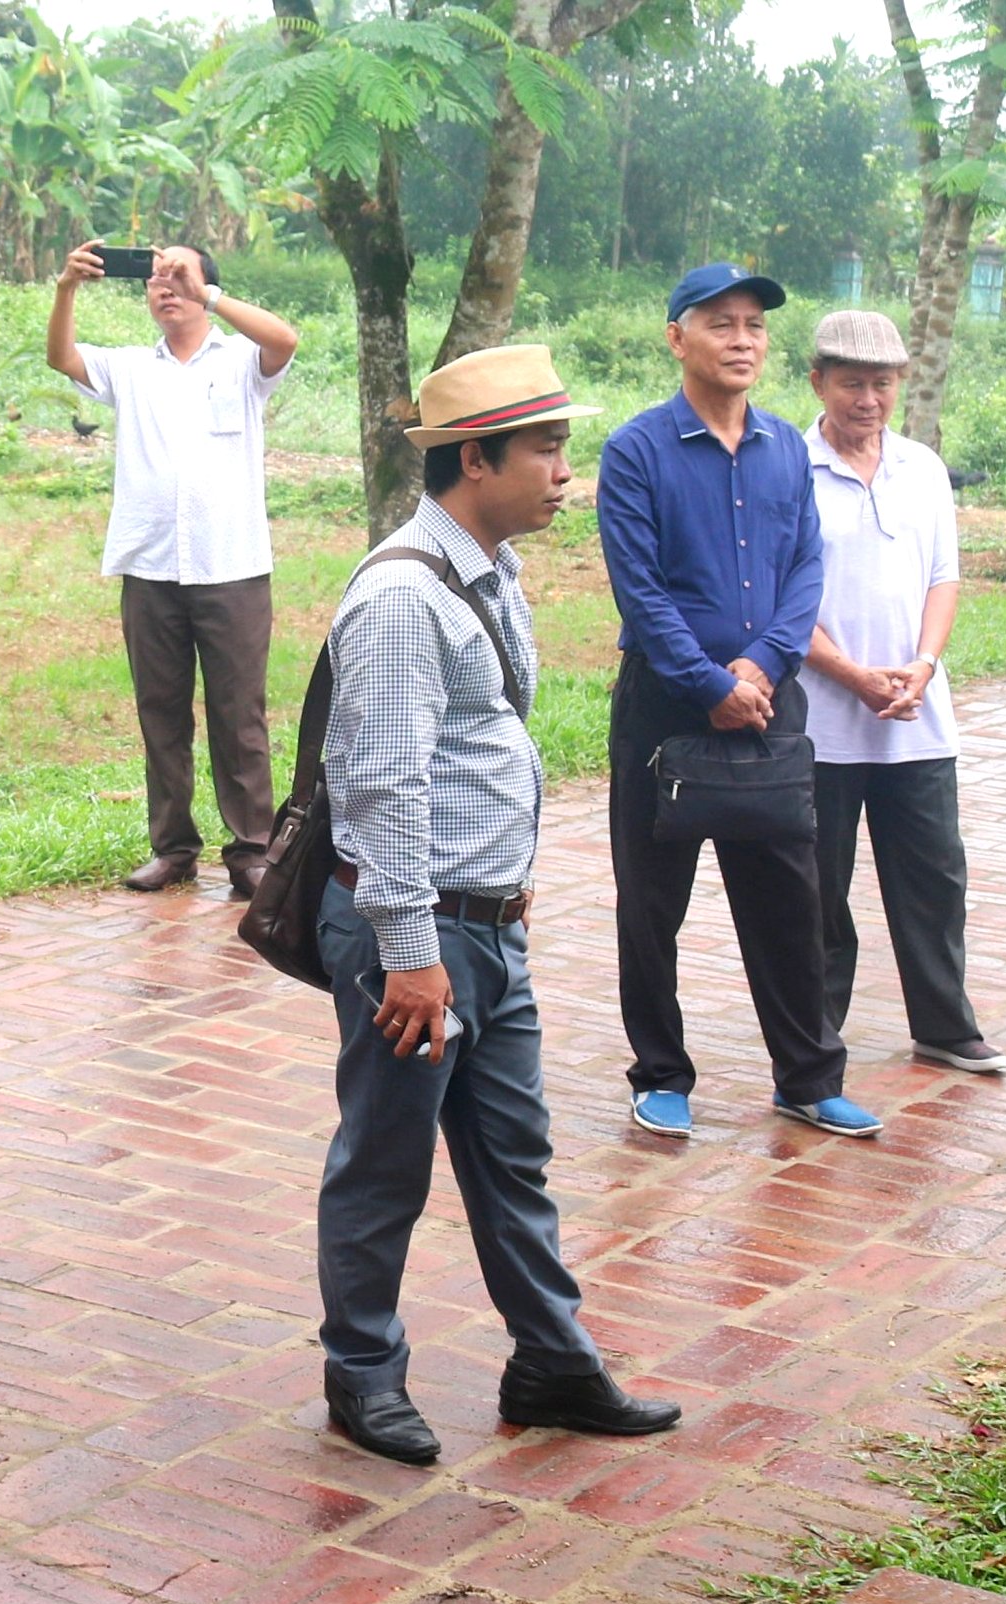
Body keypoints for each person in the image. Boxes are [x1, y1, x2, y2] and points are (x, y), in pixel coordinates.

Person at [313, 346, 682, 1467]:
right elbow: (382, 785)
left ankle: (552, 1362)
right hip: (418, 931)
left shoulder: (486, 570)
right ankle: (361, 1374)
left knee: (514, 1152)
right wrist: (410, 952)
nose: (566, 472)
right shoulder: (400, 597)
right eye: (546, 449)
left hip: (485, 926)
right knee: (387, 1161)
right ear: (475, 460)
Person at [596, 263, 870, 1141]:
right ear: (677, 338)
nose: (743, 340)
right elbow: (641, 590)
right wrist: (710, 684)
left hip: (769, 705)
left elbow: (806, 565)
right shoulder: (636, 451)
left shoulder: (787, 447)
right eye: (721, 323)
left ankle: (808, 1077)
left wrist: (763, 666)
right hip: (666, 709)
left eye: (755, 324)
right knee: (651, 902)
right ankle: (661, 1073)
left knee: (790, 895)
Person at [48, 239, 299, 899]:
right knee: (160, 712)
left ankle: (251, 849)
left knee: (238, 714)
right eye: (155, 280)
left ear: (206, 287)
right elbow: (62, 357)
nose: (165, 287)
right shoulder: (132, 367)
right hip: (152, 566)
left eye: (178, 276)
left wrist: (207, 292)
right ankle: (173, 848)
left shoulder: (241, 360)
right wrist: (67, 287)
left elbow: (285, 339)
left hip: (232, 565)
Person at [797, 309, 1004, 1078]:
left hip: (916, 718)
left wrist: (923, 663)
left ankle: (944, 1025)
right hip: (820, 721)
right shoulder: (788, 469)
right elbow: (781, 600)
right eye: (851, 383)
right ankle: (813, 1038)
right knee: (818, 888)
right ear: (818, 382)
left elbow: (943, 578)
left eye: (882, 383)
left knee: (933, 878)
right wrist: (852, 675)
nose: (868, 399)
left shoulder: (922, 468)